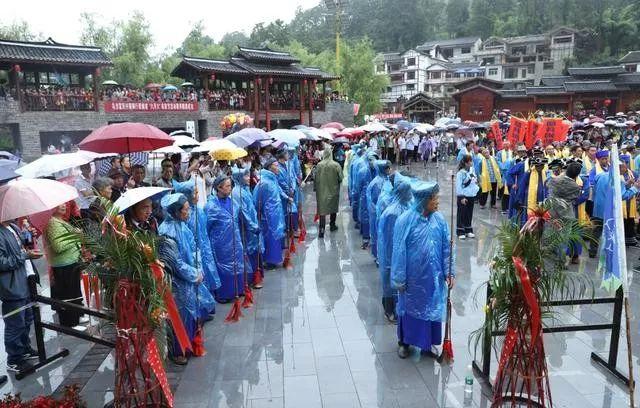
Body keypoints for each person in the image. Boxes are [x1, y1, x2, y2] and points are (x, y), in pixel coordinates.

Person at [391, 181, 453, 358]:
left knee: (431, 308)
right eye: (434, 198)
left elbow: (447, 247)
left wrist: (450, 272)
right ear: (424, 200)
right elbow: (398, 250)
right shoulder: (405, 221)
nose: (437, 201)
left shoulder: (439, 220)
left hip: (433, 277)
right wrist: (399, 279)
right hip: (412, 280)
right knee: (408, 309)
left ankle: (427, 343)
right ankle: (404, 342)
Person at [158, 193, 214, 364]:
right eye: (186, 209)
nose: (189, 212)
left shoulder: (183, 225)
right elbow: (175, 263)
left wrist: (198, 268)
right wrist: (193, 274)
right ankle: (178, 350)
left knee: (191, 312)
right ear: (176, 211)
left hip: (190, 278)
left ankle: (190, 343)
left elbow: (195, 248)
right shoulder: (166, 232)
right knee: (179, 315)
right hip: (177, 281)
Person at [0, 220, 42, 373]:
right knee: (15, 323)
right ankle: (14, 359)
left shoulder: (13, 227)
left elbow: (23, 246)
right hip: (12, 286)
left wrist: (29, 236)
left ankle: (24, 349)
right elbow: (2, 262)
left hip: (26, 279)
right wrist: (24, 256)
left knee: (27, 319)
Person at [206, 176, 246, 302]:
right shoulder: (211, 206)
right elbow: (206, 227)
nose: (230, 188)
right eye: (228, 186)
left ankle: (238, 290)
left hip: (235, 240)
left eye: (230, 185)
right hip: (221, 245)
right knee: (223, 267)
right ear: (219, 188)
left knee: (236, 265)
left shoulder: (233, 202)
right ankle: (223, 294)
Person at [378, 177, 412, 323]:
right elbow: (391, 241)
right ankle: (388, 309)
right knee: (389, 281)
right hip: (391, 254)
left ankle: (396, 307)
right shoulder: (392, 212)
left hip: (401, 253)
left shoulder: (407, 206)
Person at [44, 203, 84, 328]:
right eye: (59, 205)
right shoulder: (52, 223)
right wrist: (75, 235)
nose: (64, 207)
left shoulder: (60, 220)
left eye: (64, 205)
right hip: (64, 265)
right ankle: (70, 323)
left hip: (71, 262)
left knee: (74, 292)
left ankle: (76, 318)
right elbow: (58, 246)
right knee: (68, 294)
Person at [253, 158, 287, 268]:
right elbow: (256, 200)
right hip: (268, 217)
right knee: (270, 237)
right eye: (276, 166)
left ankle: (274, 258)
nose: (278, 168)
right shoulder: (264, 183)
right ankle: (269, 260)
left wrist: (287, 197)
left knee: (275, 237)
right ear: (269, 167)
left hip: (276, 215)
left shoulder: (273, 180)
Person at [232, 167, 261, 287]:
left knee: (253, 251)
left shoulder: (244, 189)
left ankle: (254, 277)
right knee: (248, 252)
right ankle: (249, 280)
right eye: (245, 176)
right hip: (245, 228)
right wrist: (252, 226)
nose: (249, 178)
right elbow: (242, 212)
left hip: (251, 226)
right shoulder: (237, 192)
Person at [314, 146, 343, 238]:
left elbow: (315, 179)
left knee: (322, 210)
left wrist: (316, 189)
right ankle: (332, 225)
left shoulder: (319, 165)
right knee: (333, 208)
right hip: (333, 190)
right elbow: (341, 178)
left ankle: (321, 230)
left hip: (321, 191)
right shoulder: (336, 165)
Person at [367, 160, 391, 259]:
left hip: (381, 213)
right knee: (378, 234)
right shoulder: (378, 183)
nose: (390, 170)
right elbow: (378, 201)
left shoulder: (384, 180)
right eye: (388, 168)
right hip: (379, 214)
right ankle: (378, 256)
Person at [356, 151, 378, 249]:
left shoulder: (379, 171)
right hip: (365, 198)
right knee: (365, 217)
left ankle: (373, 240)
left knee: (375, 220)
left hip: (376, 199)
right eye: (370, 160)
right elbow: (358, 186)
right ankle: (366, 239)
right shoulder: (362, 171)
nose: (372, 162)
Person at [455, 155, 479, 240]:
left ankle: (468, 230)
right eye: (470, 161)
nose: (472, 162)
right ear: (466, 163)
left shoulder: (472, 170)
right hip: (463, 196)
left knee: (469, 213)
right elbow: (458, 186)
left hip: (471, 194)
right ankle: (460, 231)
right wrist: (461, 197)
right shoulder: (460, 173)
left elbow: (474, 180)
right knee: (462, 213)